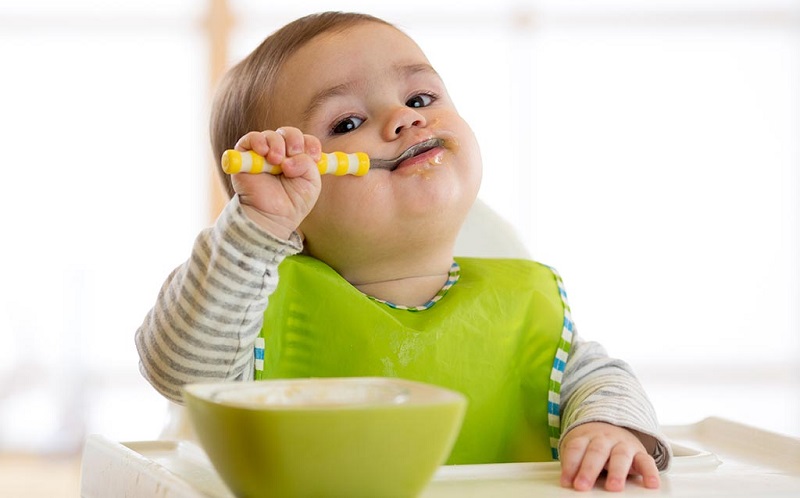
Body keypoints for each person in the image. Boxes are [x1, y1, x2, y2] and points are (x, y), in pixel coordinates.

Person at [136, 11, 671, 492]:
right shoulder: (253, 321)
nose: (403, 118)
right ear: (289, 196)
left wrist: (608, 429)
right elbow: (180, 374)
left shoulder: (524, 309)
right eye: (346, 123)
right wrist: (256, 227)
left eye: (420, 99)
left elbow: (605, 382)